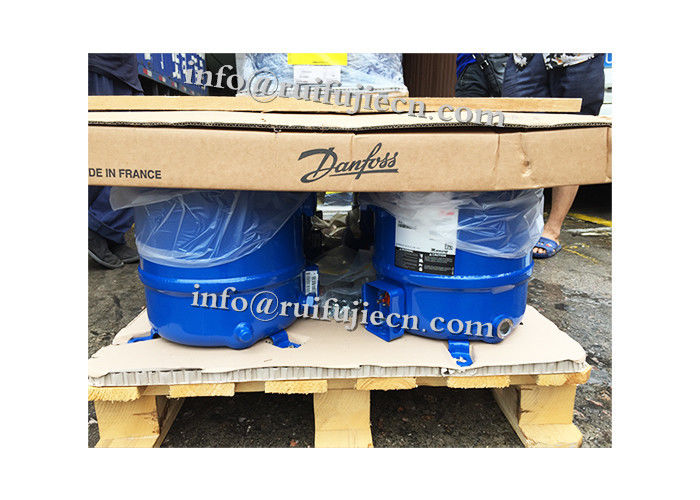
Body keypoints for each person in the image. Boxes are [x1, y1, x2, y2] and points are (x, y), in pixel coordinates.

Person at [502, 53, 605, 258]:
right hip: (526, 56)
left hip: (579, 56)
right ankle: (520, 226)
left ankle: (552, 230)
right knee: (517, 131)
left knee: (572, 137)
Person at [88, 54, 142, 268]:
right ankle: (97, 227)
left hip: (124, 71)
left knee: (129, 153)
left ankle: (108, 232)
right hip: (99, 63)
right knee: (104, 150)